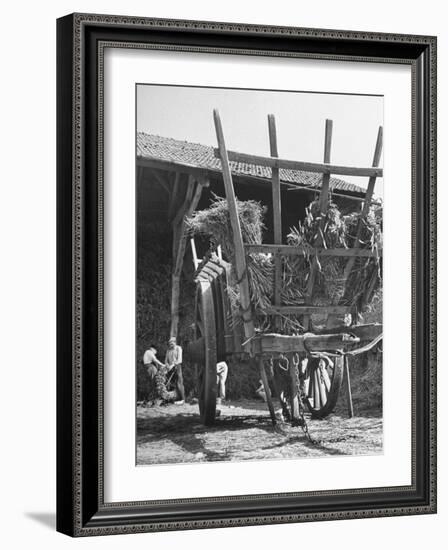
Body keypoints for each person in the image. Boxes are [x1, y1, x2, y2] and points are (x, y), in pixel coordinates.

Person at [164, 337, 185, 405]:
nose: (170, 345)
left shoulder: (178, 348)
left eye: (172, 343)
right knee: (171, 384)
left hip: (177, 367)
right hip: (169, 368)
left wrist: (172, 365)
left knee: (179, 383)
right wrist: (167, 365)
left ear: (175, 342)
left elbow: (180, 360)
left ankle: (182, 399)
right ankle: (173, 399)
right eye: (169, 343)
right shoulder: (168, 350)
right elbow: (166, 360)